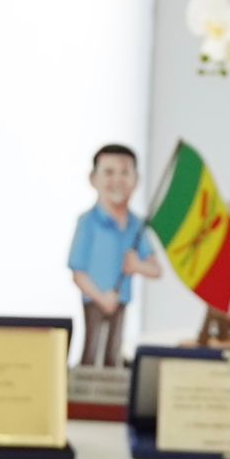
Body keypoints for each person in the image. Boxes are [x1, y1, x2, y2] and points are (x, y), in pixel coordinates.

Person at [67, 143, 162, 368]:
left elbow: (155, 269)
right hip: (95, 299)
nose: (117, 180)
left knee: (114, 350)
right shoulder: (88, 222)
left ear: (136, 180)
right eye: (109, 172)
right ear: (94, 179)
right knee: (91, 349)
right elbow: (78, 272)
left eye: (124, 173)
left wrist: (137, 265)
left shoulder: (136, 225)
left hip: (120, 299)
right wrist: (101, 297)